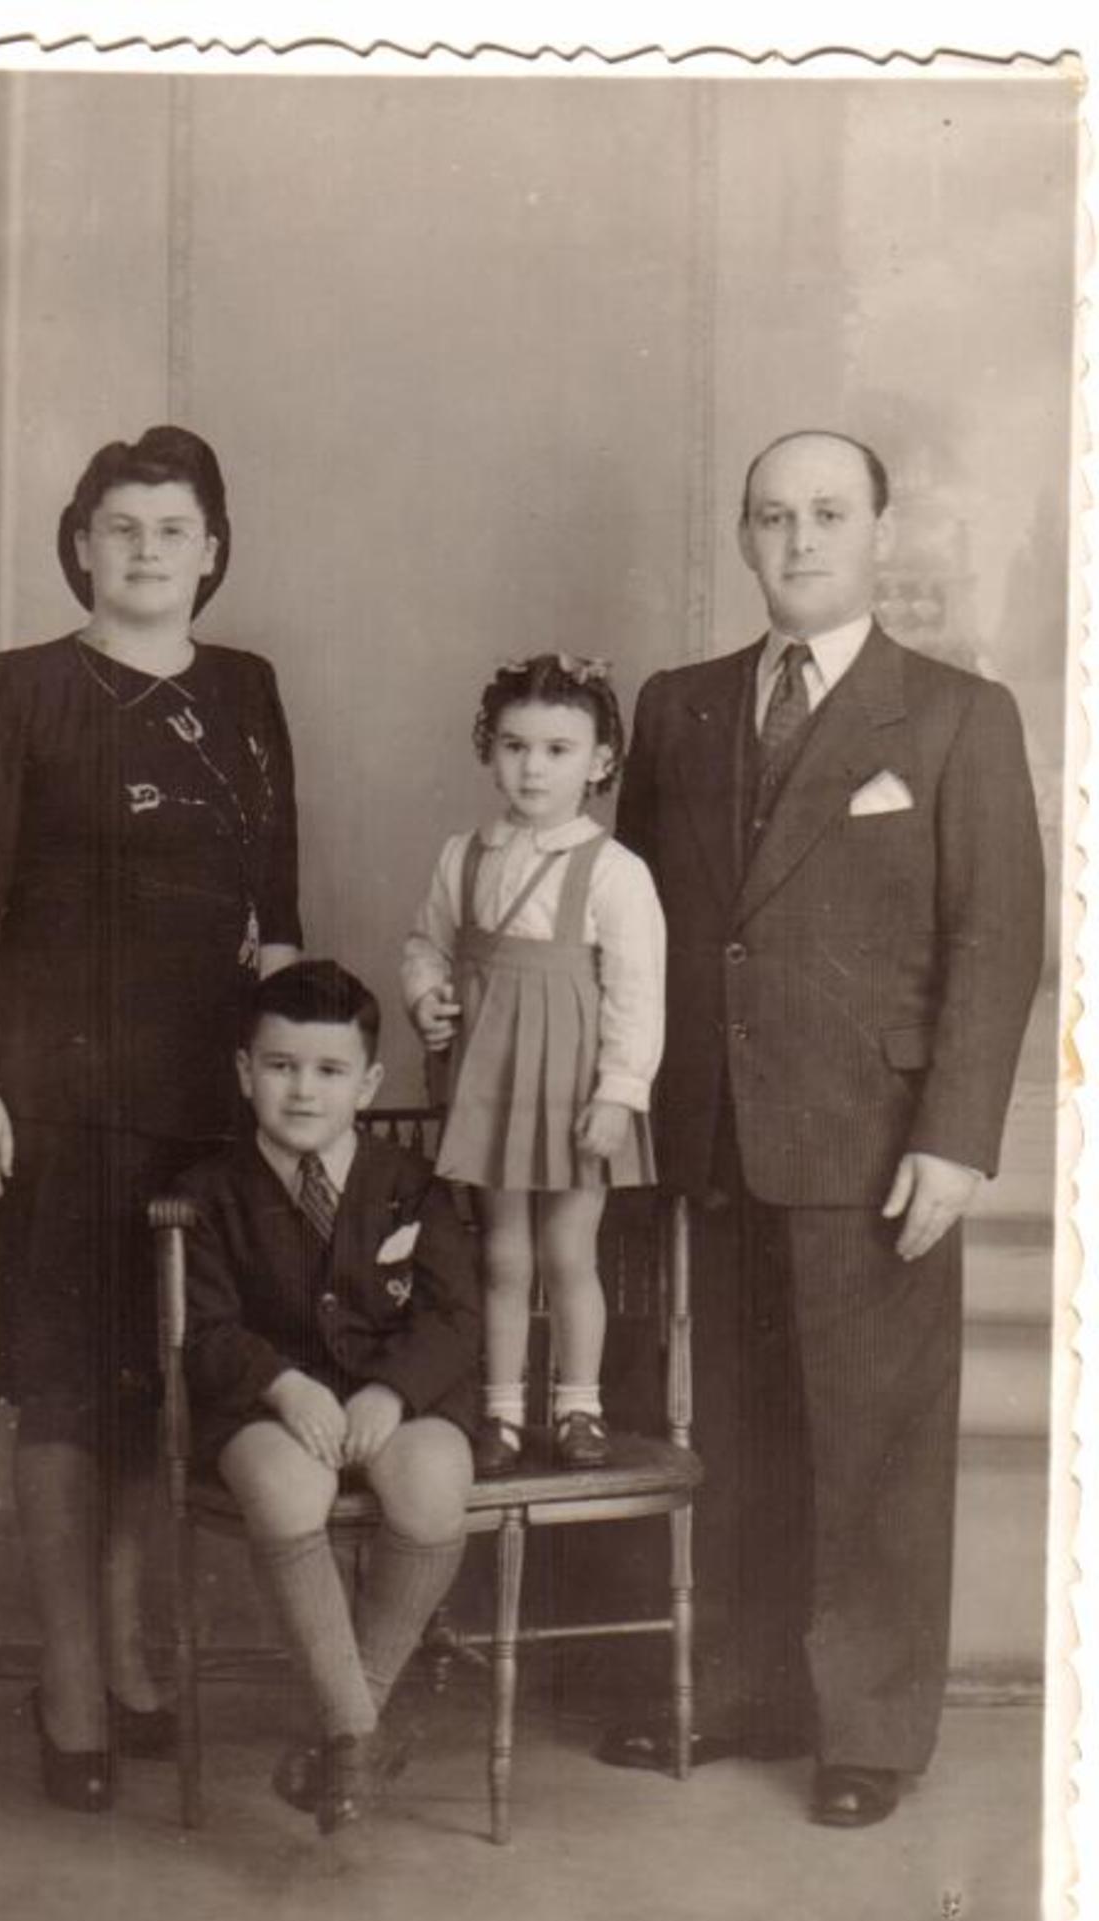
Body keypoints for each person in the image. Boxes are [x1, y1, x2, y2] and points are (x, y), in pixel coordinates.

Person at [599, 429, 1045, 1828]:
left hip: (874, 1139)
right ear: (744, 537)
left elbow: (997, 938)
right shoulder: (676, 707)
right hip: (705, 1135)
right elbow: (627, 918)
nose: (798, 539)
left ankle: (867, 1731)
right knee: (724, 1428)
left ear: (876, 532)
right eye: (772, 515)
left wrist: (954, 1137)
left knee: (872, 1446)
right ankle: (735, 1691)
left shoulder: (958, 715)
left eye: (827, 514)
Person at [0, 425, 302, 1811]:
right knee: (68, 1382)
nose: (147, 551)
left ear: (213, 550)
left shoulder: (247, 689)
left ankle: (134, 1656)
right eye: (122, 527)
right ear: (81, 543)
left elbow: (278, 912)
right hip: (53, 1094)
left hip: (204, 1099)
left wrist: (284, 1097)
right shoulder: (14, 688)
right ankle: (72, 1683)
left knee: (167, 1378)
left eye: (173, 528)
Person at [177, 959, 480, 1838]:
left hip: (399, 1395)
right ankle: (356, 1733)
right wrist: (282, 1384)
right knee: (286, 1488)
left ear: (369, 1083)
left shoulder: (411, 1182)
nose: (303, 1090)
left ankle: (349, 1731)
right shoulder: (209, 1193)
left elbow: (456, 1316)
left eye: (329, 1070)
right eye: (281, 1066)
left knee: (433, 1483)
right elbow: (205, 1329)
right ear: (245, 1072)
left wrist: (392, 1390)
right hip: (266, 1401)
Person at [402, 653, 666, 1477]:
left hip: (572, 1088)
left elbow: (637, 992)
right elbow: (426, 943)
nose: (533, 768)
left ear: (600, 761)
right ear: (490, 750)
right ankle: (503, 1412)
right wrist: (425, 995)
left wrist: (619, 1094)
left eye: (558, 750)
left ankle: (580, 1406)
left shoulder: (615, 872)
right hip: (491, 1083)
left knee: (569, 1253)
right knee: (502, 1254)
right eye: (515, 746)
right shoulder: (464, 855)